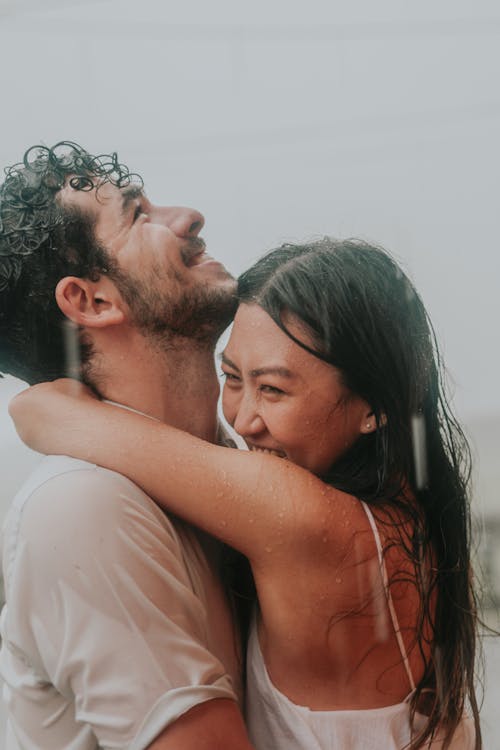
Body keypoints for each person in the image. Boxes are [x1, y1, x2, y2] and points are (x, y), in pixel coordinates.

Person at [11, 238, 482, 749]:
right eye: (232, 377)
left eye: (274, 390)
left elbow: (48, 415)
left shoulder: (308, 521)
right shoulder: (407, 518)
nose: (242, 418)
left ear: (374, 407)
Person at [0, 142, 254, 749]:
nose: (189, 217)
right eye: (138, 215)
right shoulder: (85, 508)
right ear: (92, 301)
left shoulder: (237, 464)